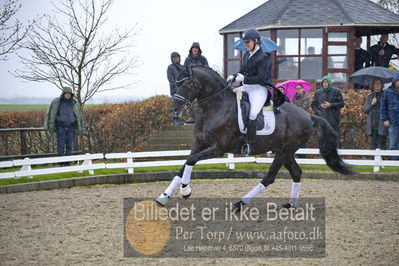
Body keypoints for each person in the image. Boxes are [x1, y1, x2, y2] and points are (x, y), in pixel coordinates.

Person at [226, 28, 271, 155]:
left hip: (259, 89)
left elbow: (261, 78)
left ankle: (250, 144)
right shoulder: (247, 55)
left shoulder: (263, 57)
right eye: (245, 42)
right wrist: (234, 76)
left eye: (248, 42)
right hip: (246, 87)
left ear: (256, 41)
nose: (246, 45)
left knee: (252, 114)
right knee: (229, 99)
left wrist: (245, 78)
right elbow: (243, 70)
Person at [44, 87, 83, 165]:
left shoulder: (74, 103)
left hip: (71, 127)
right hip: (61, 127)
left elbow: (79, 116)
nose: (68, 95)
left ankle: (67, 163)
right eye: (66, 93)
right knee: (60, 146)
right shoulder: (56, 102)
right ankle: (61, 163)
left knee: (69, 146)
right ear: (63, 93)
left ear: (71, 94)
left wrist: (79, 127)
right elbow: (50, 114)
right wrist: (50, 126)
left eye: (69, 94)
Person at [311, 76, 345, 145]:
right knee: (323, 137)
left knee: (335, 136)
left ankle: (337, 152)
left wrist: (331, 105)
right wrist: (319, 113)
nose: (325, 84)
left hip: (334, 118)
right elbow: (313, 105)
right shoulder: (318, 92)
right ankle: (323, 153)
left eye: (326, 82)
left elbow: (341, 104)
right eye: (323, 82)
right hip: (323, 118)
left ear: (329, 83)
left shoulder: (336, 91)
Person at [183, 42, 208, 124]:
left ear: (199, 49)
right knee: (188, 100)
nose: (195, 49)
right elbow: (184, 71)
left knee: (201, 101)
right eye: (194, 48)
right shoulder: (187, 60)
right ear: (191, 49)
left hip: (201, 83)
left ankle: (199, 117)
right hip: (191, 84)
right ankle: (191, 117)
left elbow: (207, 70)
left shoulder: (203, 59)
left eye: (197, 48)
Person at [364, 78, 388, 150]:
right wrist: (372, 104)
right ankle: (373, 161)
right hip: (373, 124)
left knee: (382, 144)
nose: (377, 85)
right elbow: (365, 110)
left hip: (382, 123)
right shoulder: (370, 96)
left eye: (379, 83)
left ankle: (383, 160)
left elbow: (388, 108)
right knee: (374, 145)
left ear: (382, 85)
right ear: (373, 85)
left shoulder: (385, 95)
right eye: (375, 84)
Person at [380, 72, 399, 160]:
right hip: (393, 122)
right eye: (398, 80)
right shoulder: (387, 92)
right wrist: (385, 119)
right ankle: (394, 163)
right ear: (394, 81)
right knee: (393, 144)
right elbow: (383, 107)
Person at [167, 52, 184, 125]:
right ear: (172, 59)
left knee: (183, 105)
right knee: (176, 105)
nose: (177, 59)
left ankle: (180, 119)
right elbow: (170, 79)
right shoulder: (170, 67)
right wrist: (177, 86)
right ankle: (175, 119)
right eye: (175, 58)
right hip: (175, 90)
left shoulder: (183, 67)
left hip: (184, 90)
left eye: (178, 57)